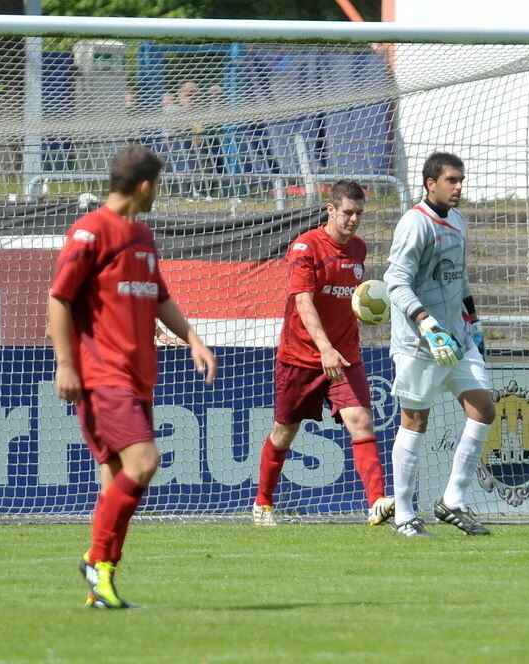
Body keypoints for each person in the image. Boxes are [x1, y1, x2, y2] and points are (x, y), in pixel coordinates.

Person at [48, 144, 217, 609]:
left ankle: (101, 584)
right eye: (156, 186)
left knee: (117, 481)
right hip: (102, 376)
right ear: (145, 186)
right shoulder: (90, 232)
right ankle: (95, 559)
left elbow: (159, 297)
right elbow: (59, 299)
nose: (156, 194)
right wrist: (65, 363)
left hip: (140, 378)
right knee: (144, 463)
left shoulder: (142, 234)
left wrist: (193, 338)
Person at [253, 179, 395, 527]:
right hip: (301, 357)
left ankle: (376, 502)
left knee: (360, 420)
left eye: (359, 214)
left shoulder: (358, 250)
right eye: (347, 212)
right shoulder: (305, 247)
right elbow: (303, 302)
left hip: (344, 356)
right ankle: (262, 504)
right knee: (284, 431)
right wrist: (324, 349)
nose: (353, 220)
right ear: (330, 209)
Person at [383, 152, 495, 537]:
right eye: (452, 180)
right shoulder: (414, 224)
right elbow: (395, 283)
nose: (459, 186)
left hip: (457, 340)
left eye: (461, 180)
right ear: (431, 183)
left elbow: (459, 282)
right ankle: (404, 515)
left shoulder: (459, 221)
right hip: (420, 343)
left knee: (484, 409)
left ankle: (452, 501)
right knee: (415, 421)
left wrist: (474, 325)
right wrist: (427, 324)